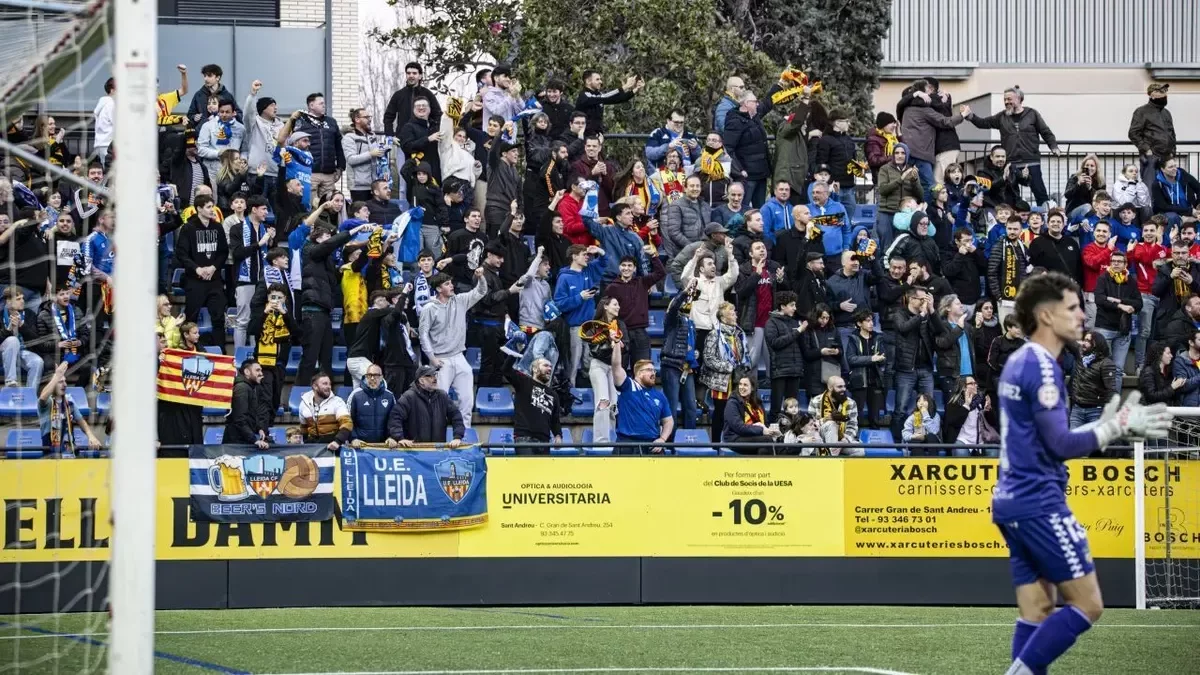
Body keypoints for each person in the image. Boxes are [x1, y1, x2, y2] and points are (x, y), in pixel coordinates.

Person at [994, 271, 1171, 675]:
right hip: (1038, 501)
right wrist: (1114, 427)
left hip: (1010, 500)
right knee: (1088, 605)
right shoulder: (1041, 367)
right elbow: (1059, 444)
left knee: (1037, 610)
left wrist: (1099, 428)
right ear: (1045, 315)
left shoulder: (1020, 360)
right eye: (1072, 308)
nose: (1081, 317)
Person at [960, 87, 1061, 206]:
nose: (1006, 102)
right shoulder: (1002, 117)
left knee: (1040, 192)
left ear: (1019, 99)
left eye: (1009, 99)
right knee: (1009, 193)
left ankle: (1045, 217)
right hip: (1011, 163)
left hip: (1031, 161)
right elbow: (984, 123)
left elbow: (1045, 131)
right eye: (1005, 100)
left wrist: (1054, 147)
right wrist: (970, 115)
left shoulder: (1032, 114)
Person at [420, 269, 488, 429]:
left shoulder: (460, 300)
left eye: (451, 283)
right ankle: (437, 435)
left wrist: (481, 277)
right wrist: (432, 358)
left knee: (467, 399)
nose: (452, 286)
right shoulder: (429, 308)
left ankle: (465, 435)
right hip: (440, 359)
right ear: (438, 289)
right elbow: (423, 335)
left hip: (459, 356)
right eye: (447, 284)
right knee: (438, 400)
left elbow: (481, 291)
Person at [173, 194, 228, 349]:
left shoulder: (217, 227)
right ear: (199, 209)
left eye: (213, 206)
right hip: (194, 280)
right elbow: (181, 253)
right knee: (191, 318)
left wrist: (213, 267)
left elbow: (223, 252)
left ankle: (220, 354)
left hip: (214, 280)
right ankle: (189, 350)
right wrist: (197, 268)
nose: (213, 210)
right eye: (209, 207)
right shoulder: (188, 228)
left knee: (218, 318)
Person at [609, 331, 673, 455]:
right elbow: (616, 366)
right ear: (638, 373)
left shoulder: (660, 396)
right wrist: (616, 343)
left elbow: (668, 421)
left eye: (654, 370)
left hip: (652, 446)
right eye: (649, 370)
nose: (653, 373)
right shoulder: (628, 386)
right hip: (627, 444)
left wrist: (662, 439)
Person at [248, 282, 298, 426]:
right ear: (268, 298)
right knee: (265, 397)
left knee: (275, 399)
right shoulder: (260, 311)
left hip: (280, 362)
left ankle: (267, 427)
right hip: (263, 363)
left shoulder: (287, 314)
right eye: (273, 297)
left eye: (279, 297)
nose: (276, 300)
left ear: (285, 299)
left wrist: (285, 314)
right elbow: (252, 330)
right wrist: (265, 313)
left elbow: (297, 334)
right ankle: (262, 429)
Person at [701, 302, 751, 442]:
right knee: (720, 414)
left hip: (737, 381)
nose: (735, 314)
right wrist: (728, 367)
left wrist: (744, 365)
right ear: (723, 318)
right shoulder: (714, 334)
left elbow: (742, 355)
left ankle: (734, 442)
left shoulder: (739, 334)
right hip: (721, 382)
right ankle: (716, 443)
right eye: (731, 312)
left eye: (735, 311)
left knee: (737, 413)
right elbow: (708, 358)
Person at [388, 364, 466, 447]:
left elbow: (456, 416)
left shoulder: (443, 396)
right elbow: (395, 418)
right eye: (430, 376)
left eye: (435, 375)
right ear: (421, 381)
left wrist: (457, 437)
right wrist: (400, 438)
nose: (435, 378)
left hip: (438, 451)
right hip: (414, 452)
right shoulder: (408, 397)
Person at [1092, 249, 1140, 384]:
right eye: (1113, 261)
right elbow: (1100, 300)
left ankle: (1115, 403)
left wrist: (1119, 301)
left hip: (1123, 331)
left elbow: (1139, 303)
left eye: (1119, 262)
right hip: (1105, 328)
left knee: (1118, 369)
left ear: (1125, 264)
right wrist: (1120, 306)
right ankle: (1102, 402)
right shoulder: (1103, 278)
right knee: (1102, 368)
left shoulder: (1130, 280)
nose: (1116, 264)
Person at [38, 362, 100, 456]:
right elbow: (42, 397)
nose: (65, 384)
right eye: (60, 382)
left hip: (69, 452)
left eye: (65, 381)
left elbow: (81, 421)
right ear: (53, 384)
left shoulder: (69, 402)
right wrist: (56, 376)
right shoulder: (47, 403)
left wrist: (91, 436)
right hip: (50, 455)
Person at [506, 356, 563, 450]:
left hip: (545, 442)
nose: (549, 368)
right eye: (545, 365)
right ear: (535, 369)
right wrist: (514, 353)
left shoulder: (553, 395)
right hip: (525, 439)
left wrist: (558, 435)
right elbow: (506, 369)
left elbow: (555, 420)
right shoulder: (523, 382)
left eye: (550, 367)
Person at [1128, 83, 1175, 189]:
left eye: (1165, 91)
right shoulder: (1141, 111)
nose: (1165, 94)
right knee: (1150, 189)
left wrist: (1173, 151)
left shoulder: (1166, 113)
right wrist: (1146, 149)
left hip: (1167, 157)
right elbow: (1133, 133)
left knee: (1168, 189)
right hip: (1151, 158)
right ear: (1152, 95)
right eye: (1161, 92)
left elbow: (1172, 133)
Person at [845, 308, 886, 428]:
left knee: (875, 416)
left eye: (872, 320)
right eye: (868, 321)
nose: (871, 323)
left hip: (875, 380)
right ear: (859, 323)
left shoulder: (878, 337)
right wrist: (871, 359)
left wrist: (881, 359)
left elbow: (884, 356)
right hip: (859, 381)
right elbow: (851, 359)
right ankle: (853, 437)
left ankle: (877, 442)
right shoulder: (854, 338)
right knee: (856, 414)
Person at [721, 375, 779, 454]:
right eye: (740, 384)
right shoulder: (732, 403)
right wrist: (761, 430)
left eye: (745, 385)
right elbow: (739, 428)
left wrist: (771, 431)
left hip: (753, 435)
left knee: (770, 443)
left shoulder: (757, 402)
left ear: (752, 388)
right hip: (735, 438)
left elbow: (765, 423)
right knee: (766, 440)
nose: (741, 387)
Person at [806, 375, 862, 456]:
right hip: (820, 439)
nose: (843, 389)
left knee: (859, 450)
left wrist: (844, 441)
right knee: (831, 424)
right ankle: (833, 459)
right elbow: (809, 426)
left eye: (844, 386)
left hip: (843, 440)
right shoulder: (815, 401)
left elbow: (852, 426)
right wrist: (826, 419)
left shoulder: (851, 403)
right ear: (830, 387)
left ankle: (834, 457)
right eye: (839, 387)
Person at [298, 372, 352, 451]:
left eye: (329, 384)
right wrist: (306, 443)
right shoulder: (304, 403)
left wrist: (337, 441)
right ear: (315, 386)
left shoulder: (337, 401)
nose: (329, 387)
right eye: (325, 384)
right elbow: (303, 428)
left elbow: (347, 423)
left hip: (333, 446)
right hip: (312, 447)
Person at [347, 364, 398, 448]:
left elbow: (394, 420)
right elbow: (348, 420)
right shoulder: (355, 395)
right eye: (369, 375)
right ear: (366, 377)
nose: (372, 378)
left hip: (384, 446)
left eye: (376, 375)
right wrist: (353, 438)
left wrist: (392, 437)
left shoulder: (389, 396)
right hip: (360, 446)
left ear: (381, 377)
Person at [1, 286, 43, 387]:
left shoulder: (29, 315)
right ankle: (10, 382)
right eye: (18, 299)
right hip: (3, 352)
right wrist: (8, 330)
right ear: (8, 302)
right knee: (12, 340)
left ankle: (31, 396)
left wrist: (22, 326)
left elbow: (37, 340)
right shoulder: (0, 315)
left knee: (38, 362)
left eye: (23, 298)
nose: (23, 301)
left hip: (22, 351)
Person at [224, 358, 270, 448]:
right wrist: (254, 440)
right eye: (257, 370)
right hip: (236, 445)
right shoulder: (242, 388)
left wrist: (258, 428)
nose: (261, 374)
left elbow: (250, 415)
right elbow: (239, 420)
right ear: (247, 372)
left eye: (261, 370)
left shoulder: (249, 387)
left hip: (241, 441)